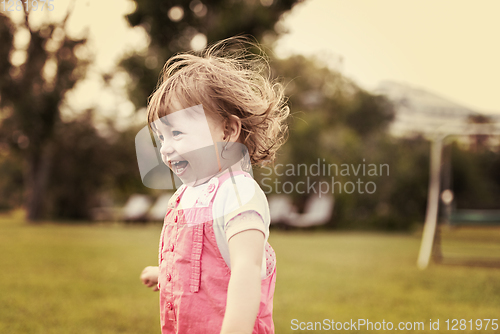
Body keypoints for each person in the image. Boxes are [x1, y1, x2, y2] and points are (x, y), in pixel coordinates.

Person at [139, 37, 289, 334]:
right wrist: (168, 274)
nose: (165, 149)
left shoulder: (238, 194)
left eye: (177, 133)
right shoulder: (187, 195)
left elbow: (245, 272)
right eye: (161, 138)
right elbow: (204, 263)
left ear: (228, 130)